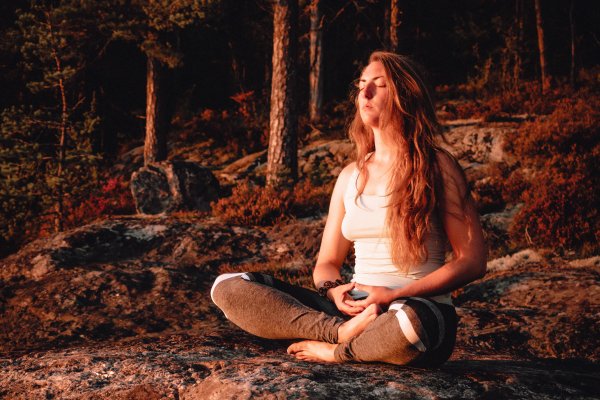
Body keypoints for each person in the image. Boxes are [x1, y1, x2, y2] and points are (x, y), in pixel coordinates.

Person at [211, 51, 487, 366]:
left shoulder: (437, 166)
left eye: (378, 85)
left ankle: (338, 351)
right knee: (227, 287)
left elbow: (472, 261)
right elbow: (327, 263)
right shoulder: (349, 176)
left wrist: (393, 295)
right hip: (354, 313)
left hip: (414, 308)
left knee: (413, 323)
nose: (364, 93)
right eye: (361, 85)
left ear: (405, 95)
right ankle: (339, 333)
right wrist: (334, 292)